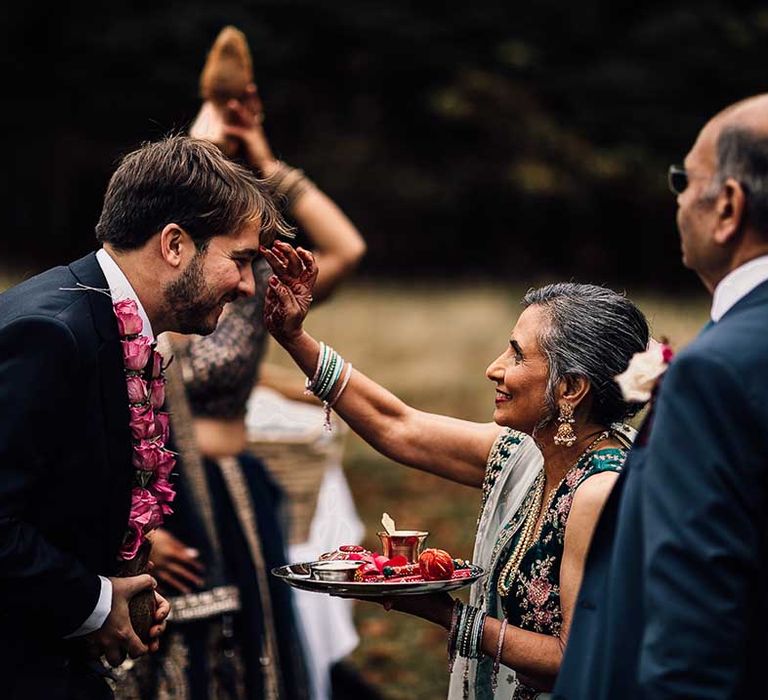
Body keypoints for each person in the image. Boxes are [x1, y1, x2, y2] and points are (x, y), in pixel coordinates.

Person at [260, 241, 650, 699]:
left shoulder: (599, 491)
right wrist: (294, 338)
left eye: (517, 354)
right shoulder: (525, 454)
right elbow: (397, 426)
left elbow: (576, 659)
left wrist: (446, 615)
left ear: (570, 388)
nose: (494, 369)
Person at [120, 28, 366, 700]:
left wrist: (267, 160)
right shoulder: (158, 293)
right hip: (165, 507)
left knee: (258, 658)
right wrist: (202, 141)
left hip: (239, 493)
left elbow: (349, 249)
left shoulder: (254, 287)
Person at [0, 134, 287, 698]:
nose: (250, 285)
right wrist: (95, 603)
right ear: (176, 244)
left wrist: (119, 577)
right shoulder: (51, 333)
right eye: (242, 259)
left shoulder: (106, 319)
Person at [554, 95, 768, 699]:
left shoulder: (716, 372)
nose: (676, 198)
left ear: (727, 207)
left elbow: (694, 621)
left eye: (684, 179)